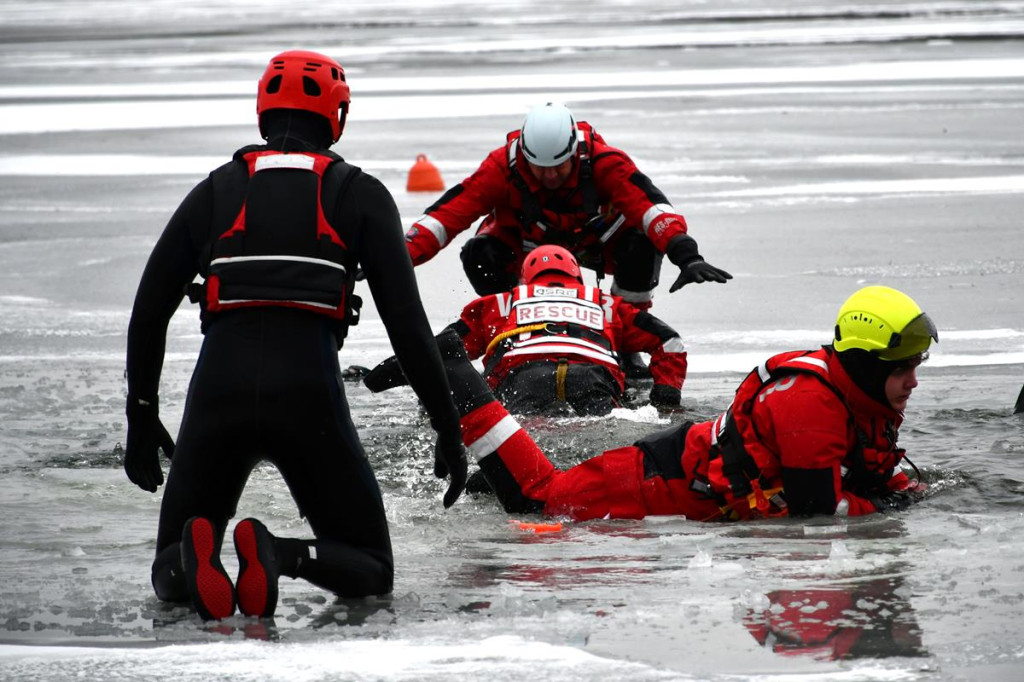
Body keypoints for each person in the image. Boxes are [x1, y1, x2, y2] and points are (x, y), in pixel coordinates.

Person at [123, 50, 466, 622]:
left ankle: (193, 556)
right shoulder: (358, 194)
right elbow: (408, 328)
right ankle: (281, 554)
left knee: (169, 564)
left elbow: (148, 309)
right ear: (338, 115)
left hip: (219, 392)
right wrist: (447, 427)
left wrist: (141, 414)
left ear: (262, 110)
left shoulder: (215, 192)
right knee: (370, 568)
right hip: (307, 393)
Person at [366, 285, 936, 521]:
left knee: (531, 489)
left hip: (673, 461)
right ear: (866, 364)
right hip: (654, 478)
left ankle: (477, 442)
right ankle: (452, 373)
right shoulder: (810, 404)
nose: (913, 380)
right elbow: (819, 513)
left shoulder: (850, 393)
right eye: (904, 368)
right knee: (539, 501)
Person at [404, 102, 732, 309]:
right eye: (540, 168)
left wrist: (687, 255)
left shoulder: (606, 162)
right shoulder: (500, 167)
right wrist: (395, 256)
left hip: (598, 242)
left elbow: (651, 209)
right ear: (524, 157)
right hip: (527, 243)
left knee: (641, 244)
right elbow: (446, 217)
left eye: (559, 166)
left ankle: (627, 329)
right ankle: (510, 326)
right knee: (481, 253)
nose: (550, 176)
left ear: (575, 151)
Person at [365, 244, 688, 415]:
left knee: (523, 441)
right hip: (592, 378)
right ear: (577, 278)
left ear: (525, 280)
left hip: (524, 380)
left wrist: (382, 376)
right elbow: (670, 341)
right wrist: (665, 399)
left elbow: (442, 350)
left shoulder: (502, 302)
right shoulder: (605, 303)